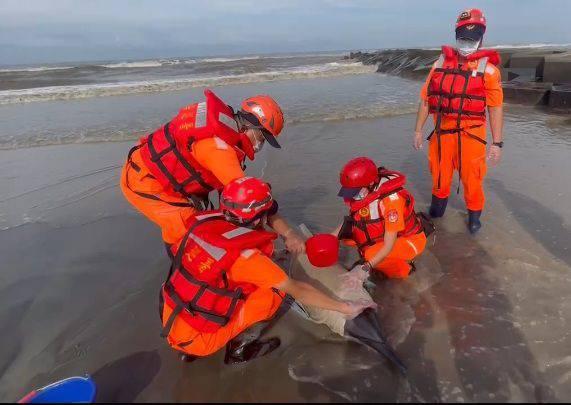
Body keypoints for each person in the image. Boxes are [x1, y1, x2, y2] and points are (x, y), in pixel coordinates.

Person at [160, 176, 364, 364]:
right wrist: (345, 307)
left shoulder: (204, 225)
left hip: (172, 316)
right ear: (258, 219)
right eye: (267, 214)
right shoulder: (249, 259)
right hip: (199, 339)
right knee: (275, 292)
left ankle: (190, 346)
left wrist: (289, 234)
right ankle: (238, 349)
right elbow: (299, 290)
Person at [120, 88, 304, 252]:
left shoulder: (227, 130)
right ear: (249, 127)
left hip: (157, 168)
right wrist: (289, 234)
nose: (260, 144)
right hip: (145, 181)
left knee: (216, 226)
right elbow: (251, 201)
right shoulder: (219, 151)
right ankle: (185, 279)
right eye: (262, 139)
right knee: (188, 236)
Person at [413, 8, 504, 234]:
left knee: (472, 180)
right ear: (456, 36)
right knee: (439, 176)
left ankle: (474, 219)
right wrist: (417, 131)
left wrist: (497, 143)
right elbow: (426, 100)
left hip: (471, 136)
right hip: (442, 134)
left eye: (472, 38)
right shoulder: (439, 65)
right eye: (463, 37)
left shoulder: (489, 71)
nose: (467, 42)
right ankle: (437, 213)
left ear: (481, 38)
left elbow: (495, 107)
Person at [336, 157, 430, 279]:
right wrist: (329, 239)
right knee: (347, 239)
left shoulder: (391, 202)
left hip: (411, 240)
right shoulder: (368, 192)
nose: (353, 196)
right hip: (391, 236)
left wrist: (365, 268)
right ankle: (381, 263)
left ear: (370, 184)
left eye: (355, 191)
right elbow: (351, 222)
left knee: (370, 254)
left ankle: (404, 271)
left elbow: (388, 245)